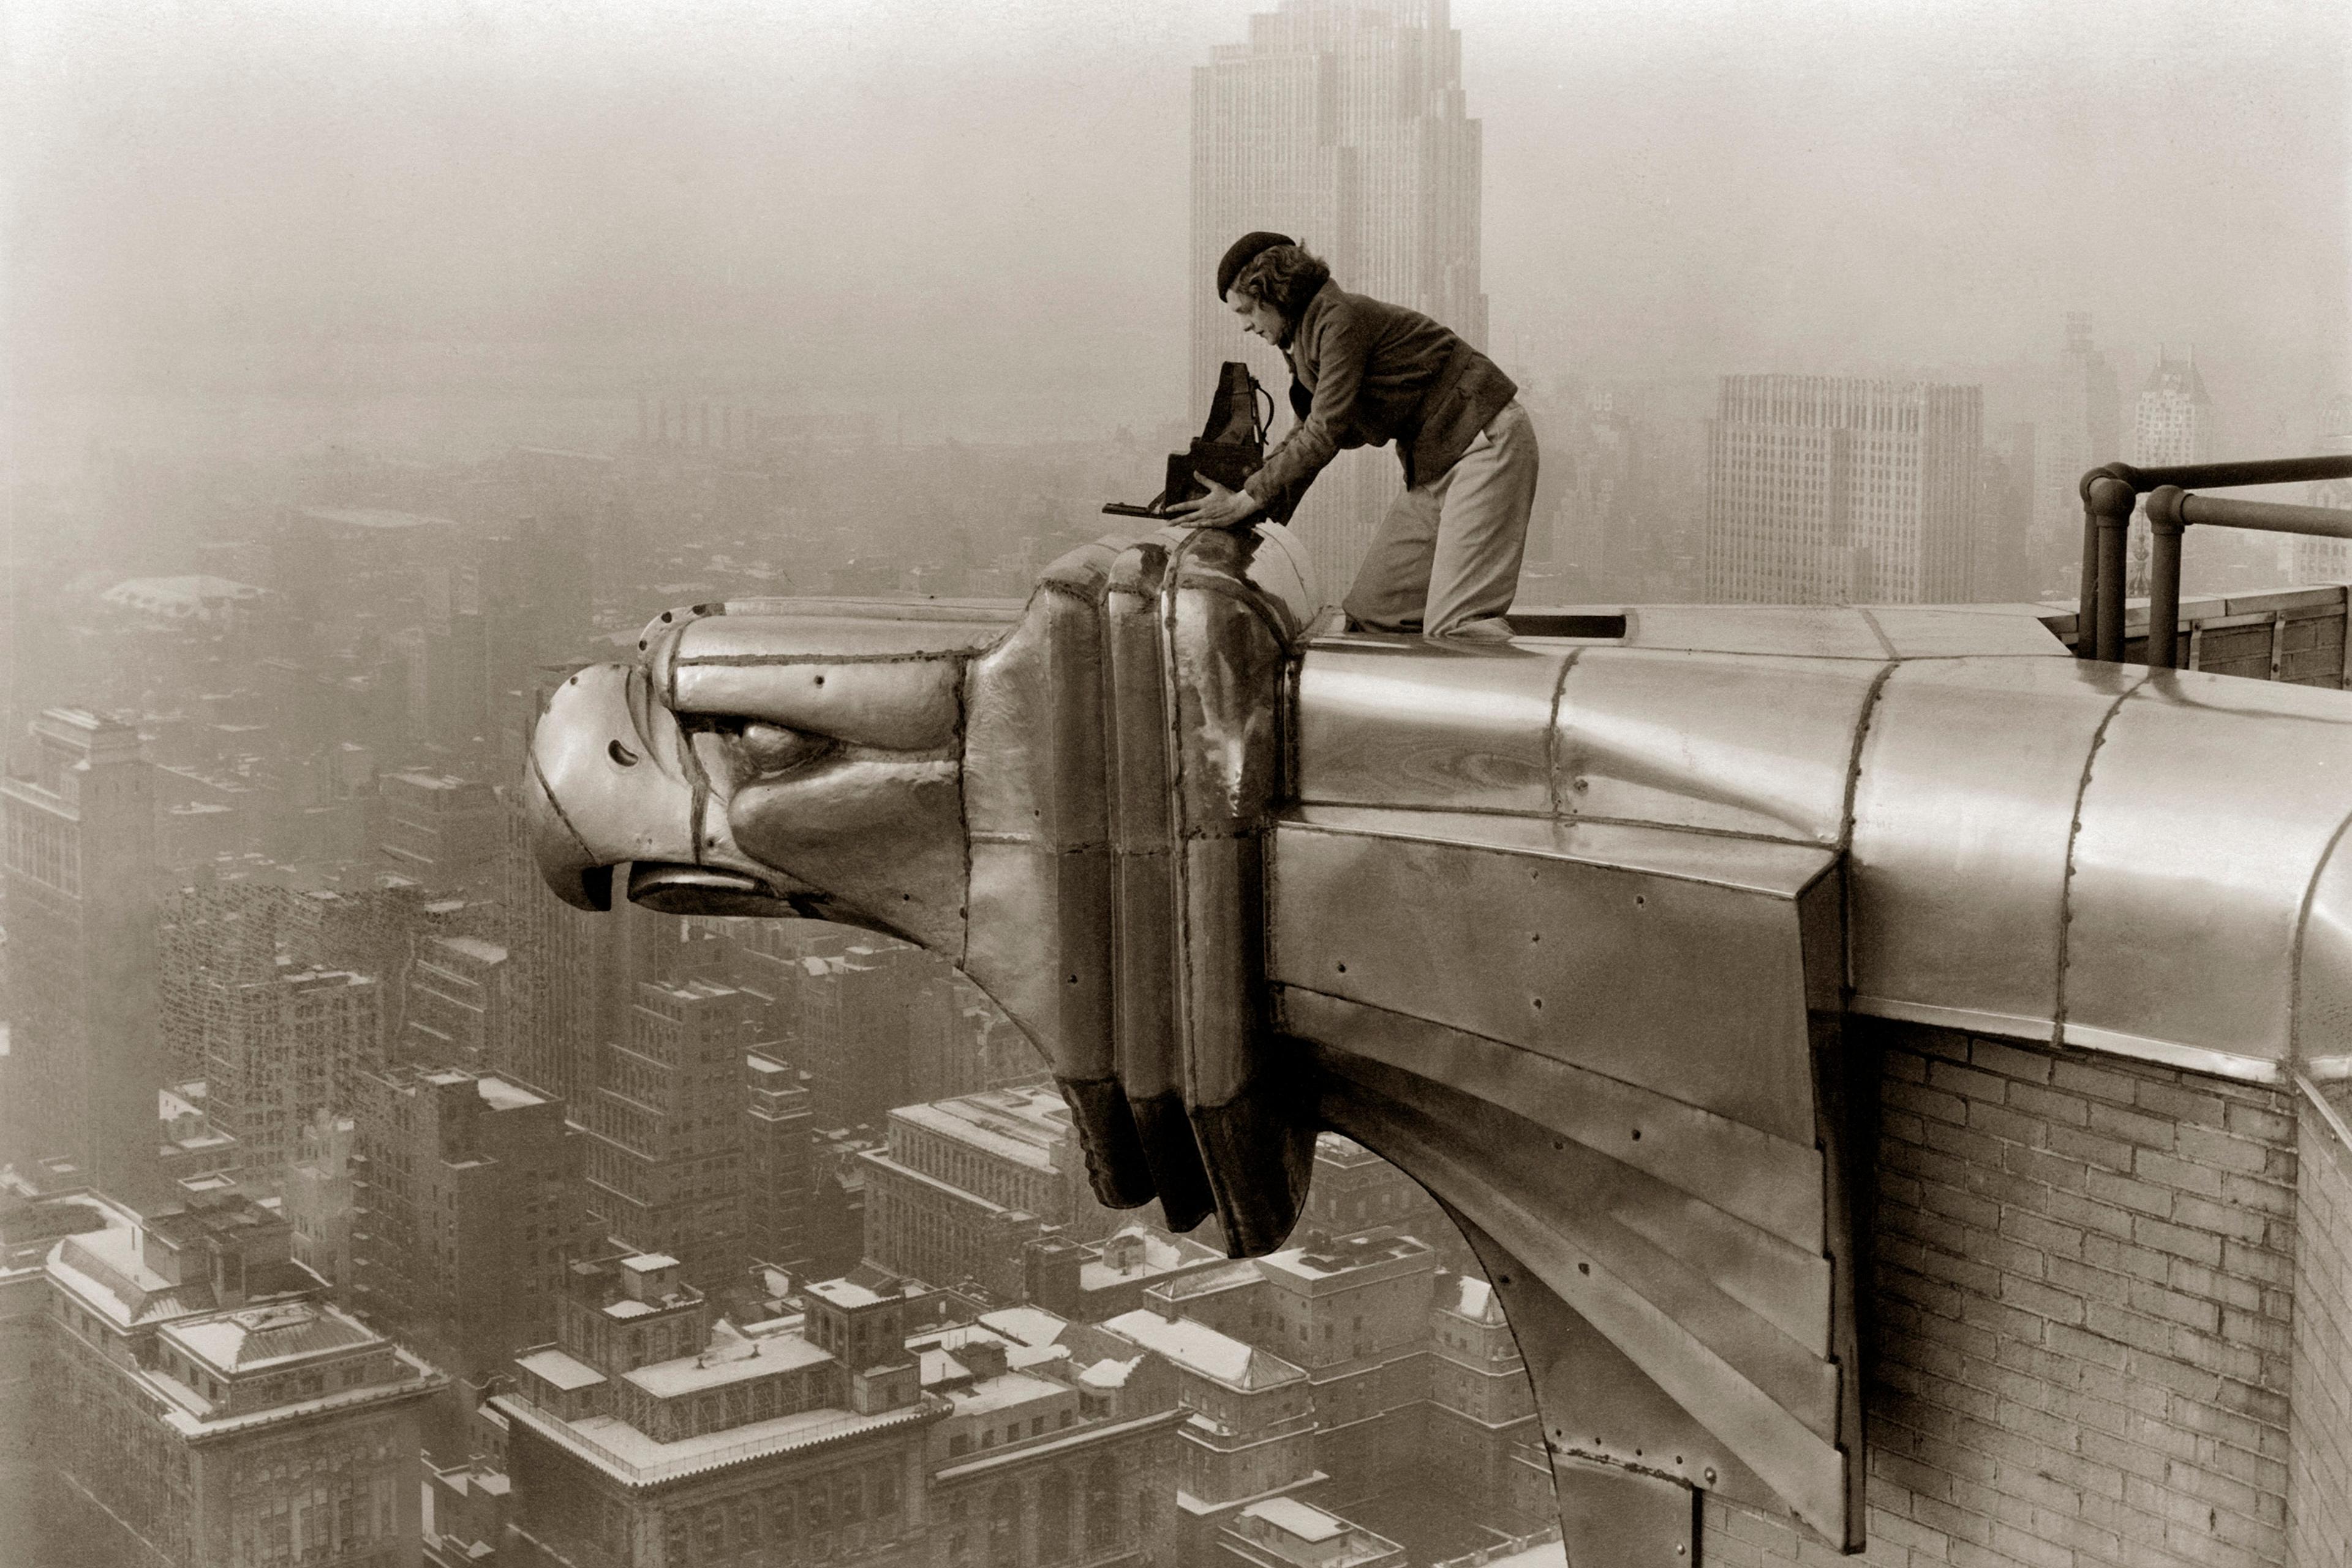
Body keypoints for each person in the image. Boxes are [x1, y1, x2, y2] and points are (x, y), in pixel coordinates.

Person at [1169, 230, 1538, 640]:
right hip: (1437, 460)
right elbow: (1307, 429)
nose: (1244, 326)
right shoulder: (1305, 334)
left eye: (1247, 310)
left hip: (1483, 441)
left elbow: (1326, 431)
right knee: (1376, 614)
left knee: (1459, 628)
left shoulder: (1337, 320)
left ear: (1272, 293)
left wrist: (1247, 500)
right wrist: (1250, 507)